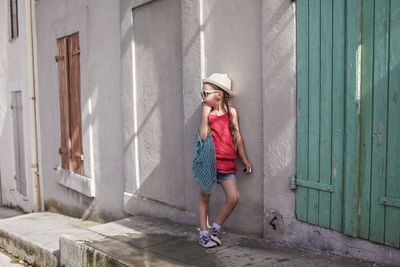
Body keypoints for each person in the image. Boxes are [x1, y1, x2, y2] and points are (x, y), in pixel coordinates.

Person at [197, 73, 252, 248]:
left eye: (206, 93)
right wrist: (205, 114)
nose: (203, 97)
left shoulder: (231, 113)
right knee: (204, 198)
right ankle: (203, 233)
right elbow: (203, 136)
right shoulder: (208, 113)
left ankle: (215, 228)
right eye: (202, 93)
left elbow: (237, 136)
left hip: (227, 164)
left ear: (219, 94)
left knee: (233, 197)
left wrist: (244, 159)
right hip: (210, 165)